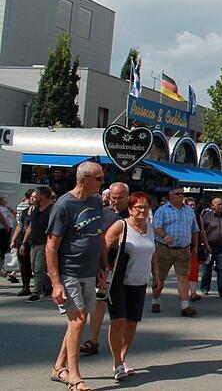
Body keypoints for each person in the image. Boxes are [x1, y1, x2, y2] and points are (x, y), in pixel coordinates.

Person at [46, 161, 106, 391]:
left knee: (77, 324)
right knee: (78, 320)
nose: (102, 182)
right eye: (99, 178)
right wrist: (56, 283)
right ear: (84, 180)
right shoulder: (64, 205)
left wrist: (102, 266)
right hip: (69, 271)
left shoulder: (96, 201)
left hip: (89, 271)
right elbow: (51, 246)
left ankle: (58, 366)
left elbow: (98, 235)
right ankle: (74, 377)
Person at [104, 191, 158, 382]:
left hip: (140, 281)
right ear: (130, 209)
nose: (142, 211)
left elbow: (153, 253)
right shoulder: (121, 226)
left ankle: (123, 358)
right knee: (118, 320)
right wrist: (104, 269)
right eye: (138, 207)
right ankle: (117, 363)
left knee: (132, 322)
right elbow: (104, 247)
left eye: (146, 207)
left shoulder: (150, 228)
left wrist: (156, 275)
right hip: (119, 281)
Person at [82, 182, 130, 355]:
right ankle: (92, 340)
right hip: (102, 264)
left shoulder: (132, 215)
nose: (115, 201)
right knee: (98, 300)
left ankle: (121, 343)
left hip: (123, 264)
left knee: (120, 306)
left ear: (127, 197)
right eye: (113, 198)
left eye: (119, 198)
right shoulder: (104, 213)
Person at [151, 187, 200, 317]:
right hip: (164, 248)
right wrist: (165, 235)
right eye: (177, 194)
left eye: (182, 194)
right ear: (170, 196)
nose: (180, 196)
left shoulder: (189, 211)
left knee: (183, 277)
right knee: (160, 277)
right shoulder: (162, 210)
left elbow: (195, 230)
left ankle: (185, 306)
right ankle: (156, 300)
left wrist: (195, 247)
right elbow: (156, 227)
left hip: (183, 249)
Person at [22, 186, 55, 302]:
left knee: (39, 268)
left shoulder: (52, 209)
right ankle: (49, 285)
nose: (35, 197)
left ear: (44, 196)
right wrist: (24, 242)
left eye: (37, 194)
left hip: (44, 242)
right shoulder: (36, 209)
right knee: (34, 268)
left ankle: (36, 292)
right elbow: (30, 227)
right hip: (34, 242)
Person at [201, 198, 222, 298]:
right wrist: (204, 245)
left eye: (221, 204)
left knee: (221, 269)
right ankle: (205, 288)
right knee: (207, 269)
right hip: (209, 246)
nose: (221, 206)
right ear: (212, 205)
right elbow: (202, 230)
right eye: (218, 204)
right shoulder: (207, 216)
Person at [8, 189, 35, 293]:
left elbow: (31, 228)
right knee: (24, 264)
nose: (32, 198)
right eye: (31, 196)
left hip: (34, 240)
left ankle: (44, 286)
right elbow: (20, 226)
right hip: (22, 239)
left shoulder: (40, 211)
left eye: (34, 197)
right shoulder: (25, 211)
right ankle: (25, 287)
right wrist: (13, 240)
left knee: (36, 266)